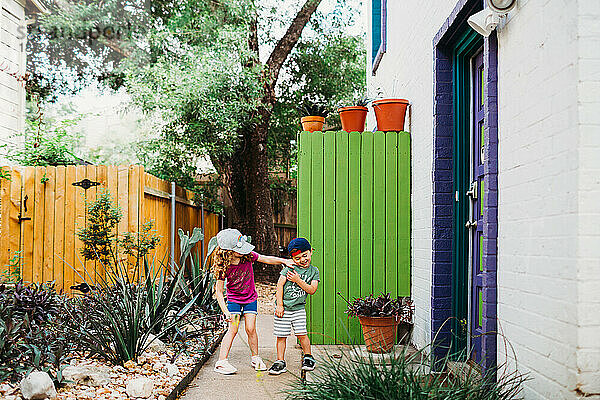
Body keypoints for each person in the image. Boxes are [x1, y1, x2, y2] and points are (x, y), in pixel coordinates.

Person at [211, 228, 294, 375]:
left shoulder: (247, 256)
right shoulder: (223, 266)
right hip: (234, 301)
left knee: (250, 328)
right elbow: (218, 291)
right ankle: (221, 362)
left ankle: (255, 358)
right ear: (228, 251)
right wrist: (226, 311)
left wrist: (283, 260)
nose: (243, 250)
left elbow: (266, 258)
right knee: (233, 329)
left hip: (250, 299)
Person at [268, 237, 320, 375]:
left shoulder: (314, 271)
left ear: (311, 252)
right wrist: (279, 305)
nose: (302, 259)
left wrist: (297, 280)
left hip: (298, 309)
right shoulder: (289, 268)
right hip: (283, 309)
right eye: (297, 258)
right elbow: (280, 285)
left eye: (305, 255)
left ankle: (308, 357)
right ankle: (280, 361)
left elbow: (312, 290)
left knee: (302, 334)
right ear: (292, 259)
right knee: (281, 335)